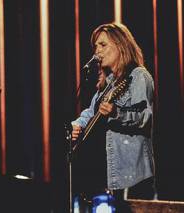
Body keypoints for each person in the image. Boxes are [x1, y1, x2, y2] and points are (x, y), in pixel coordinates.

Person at [70, 23, 155, 211]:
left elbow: (144, 116)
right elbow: (89, 113)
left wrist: (117, 113)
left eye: (102, 45)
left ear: (120, 45)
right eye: (95, 47)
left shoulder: (138, 76)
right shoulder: (108, 85)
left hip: (132, 175)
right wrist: (76, 125)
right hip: (108, 177)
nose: (96, 52)